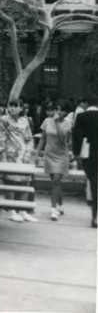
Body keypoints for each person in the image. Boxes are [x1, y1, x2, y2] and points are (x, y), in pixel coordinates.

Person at [0, 99, 37, 223]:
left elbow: (29, 138)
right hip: (9, 155)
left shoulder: (25, 121)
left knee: (25, 181)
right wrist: (2, 153)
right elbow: (0, 137)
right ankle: (11, 211)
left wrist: (28, 151)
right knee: (11, 181)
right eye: (11, 106)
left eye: (16, 106)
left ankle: (23, 210)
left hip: (23, 154)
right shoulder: (3, 120)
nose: (13, 108)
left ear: (21, 108)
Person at [35, 99, 73, 221]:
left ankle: (53, 210)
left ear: (66, 112)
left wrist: (57, 123)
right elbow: (42, 138)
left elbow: (63, 139)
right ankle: (61, 205)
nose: (58, 111)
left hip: (62, 155)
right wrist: (37, 154)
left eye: (61, 110)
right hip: (49, 154)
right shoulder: (46, 121)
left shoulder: (67, 124)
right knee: (56, 183)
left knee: (56, 180)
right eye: (57, 109)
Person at [72, 94, 98, 228]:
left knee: (94, 183)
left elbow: (77, 136)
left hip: (90, 154)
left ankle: (95, 216)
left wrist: (76, 153)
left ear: (87, 104)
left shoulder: (82, 117)